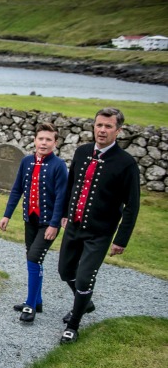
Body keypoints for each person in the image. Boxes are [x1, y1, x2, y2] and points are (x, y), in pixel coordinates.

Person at [58, 107, 140, 344]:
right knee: (65, 271)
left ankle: (73, 324)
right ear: (94, 126)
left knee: (84, 279)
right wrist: (64, 212)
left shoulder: (126, 164)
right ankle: (86, 302)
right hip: (73, 226)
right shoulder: (82, 152)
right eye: (99, 125)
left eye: (108, 126)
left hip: (100, 233)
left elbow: (132, 205)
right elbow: (71, 184)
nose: (102, 130)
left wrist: (121, 239)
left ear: (118, 130)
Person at [0, 123, 68, 323]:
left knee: (34, 258)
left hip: (48, 223)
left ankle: (30, 304)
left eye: (48, 139)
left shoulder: (58, 165)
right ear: (35, 140)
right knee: (33, 258)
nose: (44, 143)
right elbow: (17, 189)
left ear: (55, 142)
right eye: (41, 139)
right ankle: (36, 300)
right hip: (31, 219)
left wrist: (54, 225)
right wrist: (7, 215)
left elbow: (62, 197)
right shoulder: (27, 161)